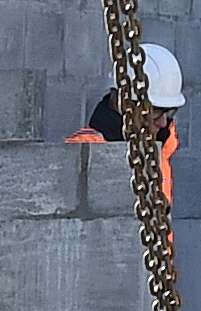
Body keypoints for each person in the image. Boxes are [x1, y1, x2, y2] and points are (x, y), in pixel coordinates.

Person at [72, 41, 185, 210]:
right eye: (155, 112)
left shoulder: (161, 148)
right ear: (123, 105)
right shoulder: (81, 152)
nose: (163, 123)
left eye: (168, 112)